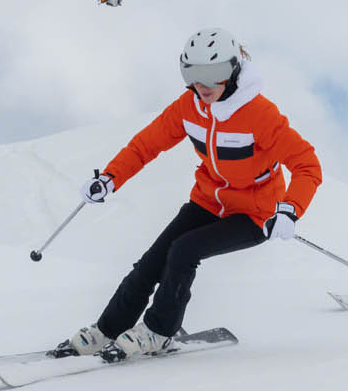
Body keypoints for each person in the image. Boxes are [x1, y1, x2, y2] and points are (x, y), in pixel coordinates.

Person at [66, 28, 323, 357]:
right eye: (192, 74)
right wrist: (110, 178)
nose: (202, 86)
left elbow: (307, 164)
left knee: (184, 251)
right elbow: (147, 144)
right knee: (152, 261)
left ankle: (159, 332)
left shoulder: (260, 115)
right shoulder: (190, 107)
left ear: (232, 71)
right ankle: (108, 329)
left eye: (212, 75)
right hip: (208, 201)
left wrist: (289, 210)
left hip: (257, 213)